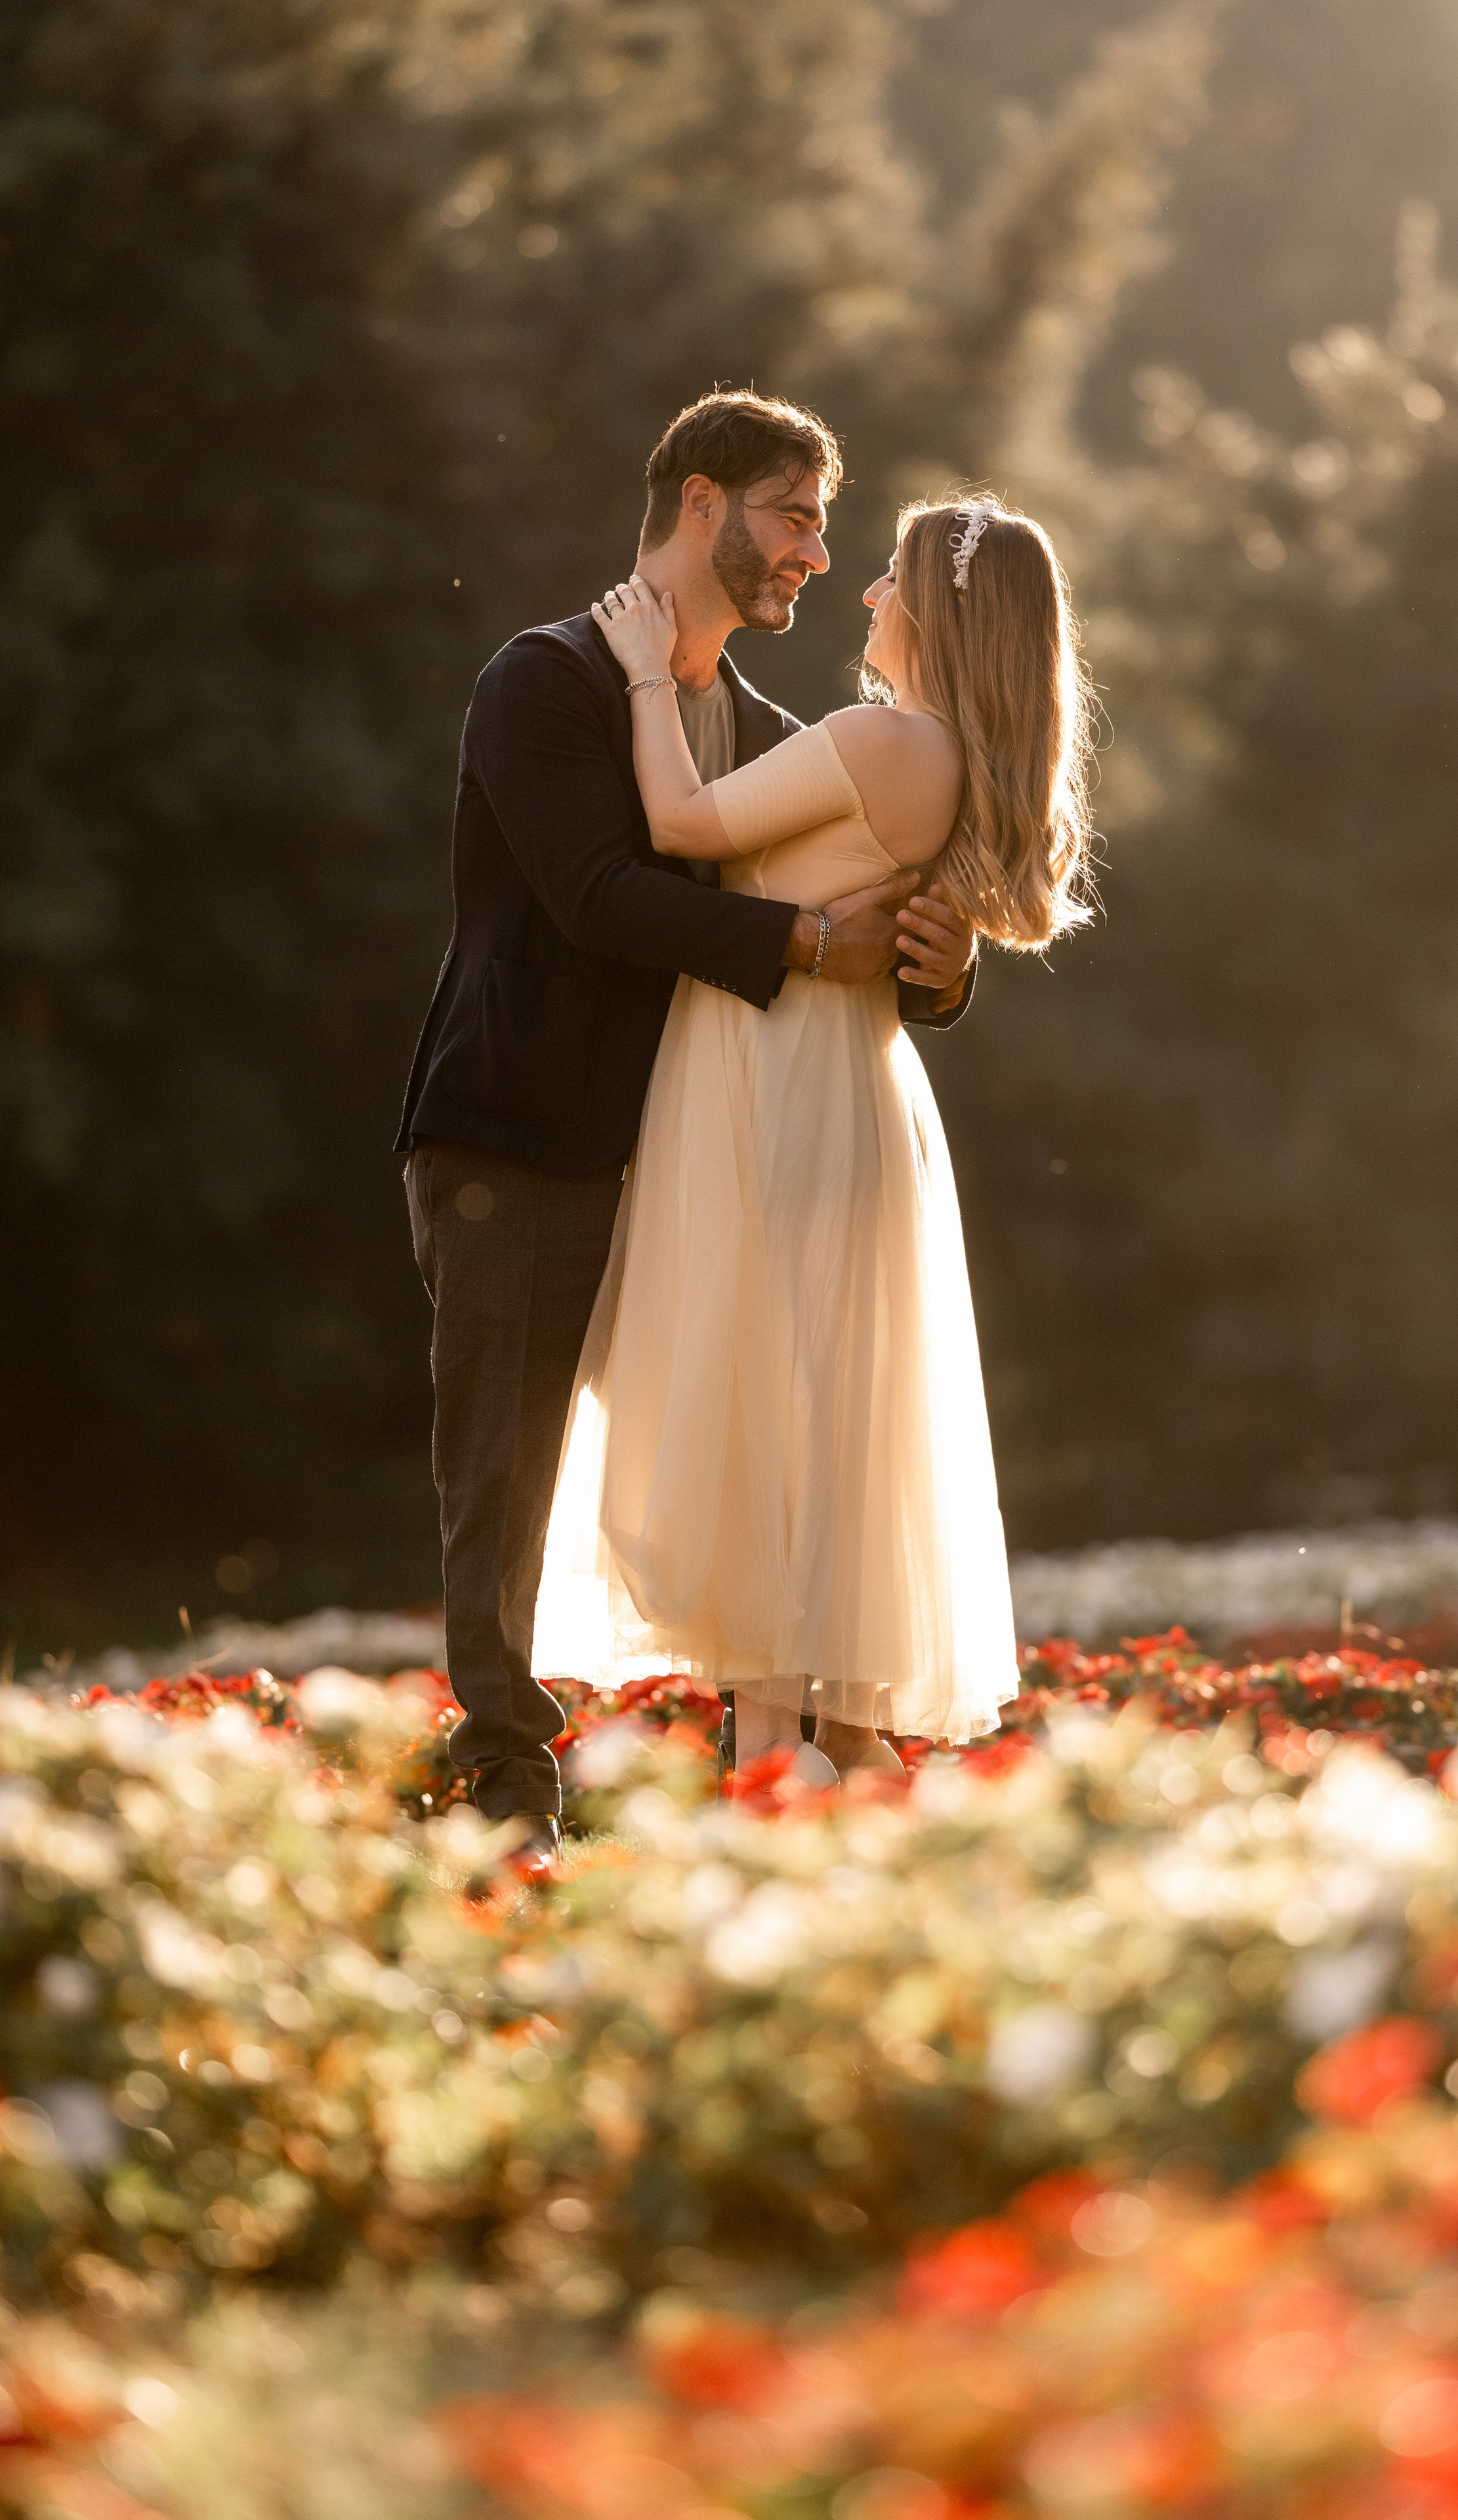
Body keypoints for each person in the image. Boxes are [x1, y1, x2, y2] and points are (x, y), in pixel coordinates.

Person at [396, 392, 979, 1855]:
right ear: (702, 502)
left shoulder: (769, 730)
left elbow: (874, 910)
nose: (814, 555)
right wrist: (794, 944)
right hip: (520, 1143)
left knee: (741, 1458)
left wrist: (940, 966)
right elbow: (596, 894)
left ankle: (746, 1777)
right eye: (793, 517)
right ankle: (508, 1796)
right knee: (509, 1470)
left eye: (825, 528)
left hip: (697, 1163)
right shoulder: (542, 683)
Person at [531, 493, 1096, 1780]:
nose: (863, 598)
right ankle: (831, 1752)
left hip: (771, 1083)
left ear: (935, 613)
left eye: (887, 579)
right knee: (816, 1418)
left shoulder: (885, 741)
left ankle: (777, 1758)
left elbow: (679, 825)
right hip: (829, 1080)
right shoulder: (936, 755)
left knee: (768, 1413)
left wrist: (639, 678)